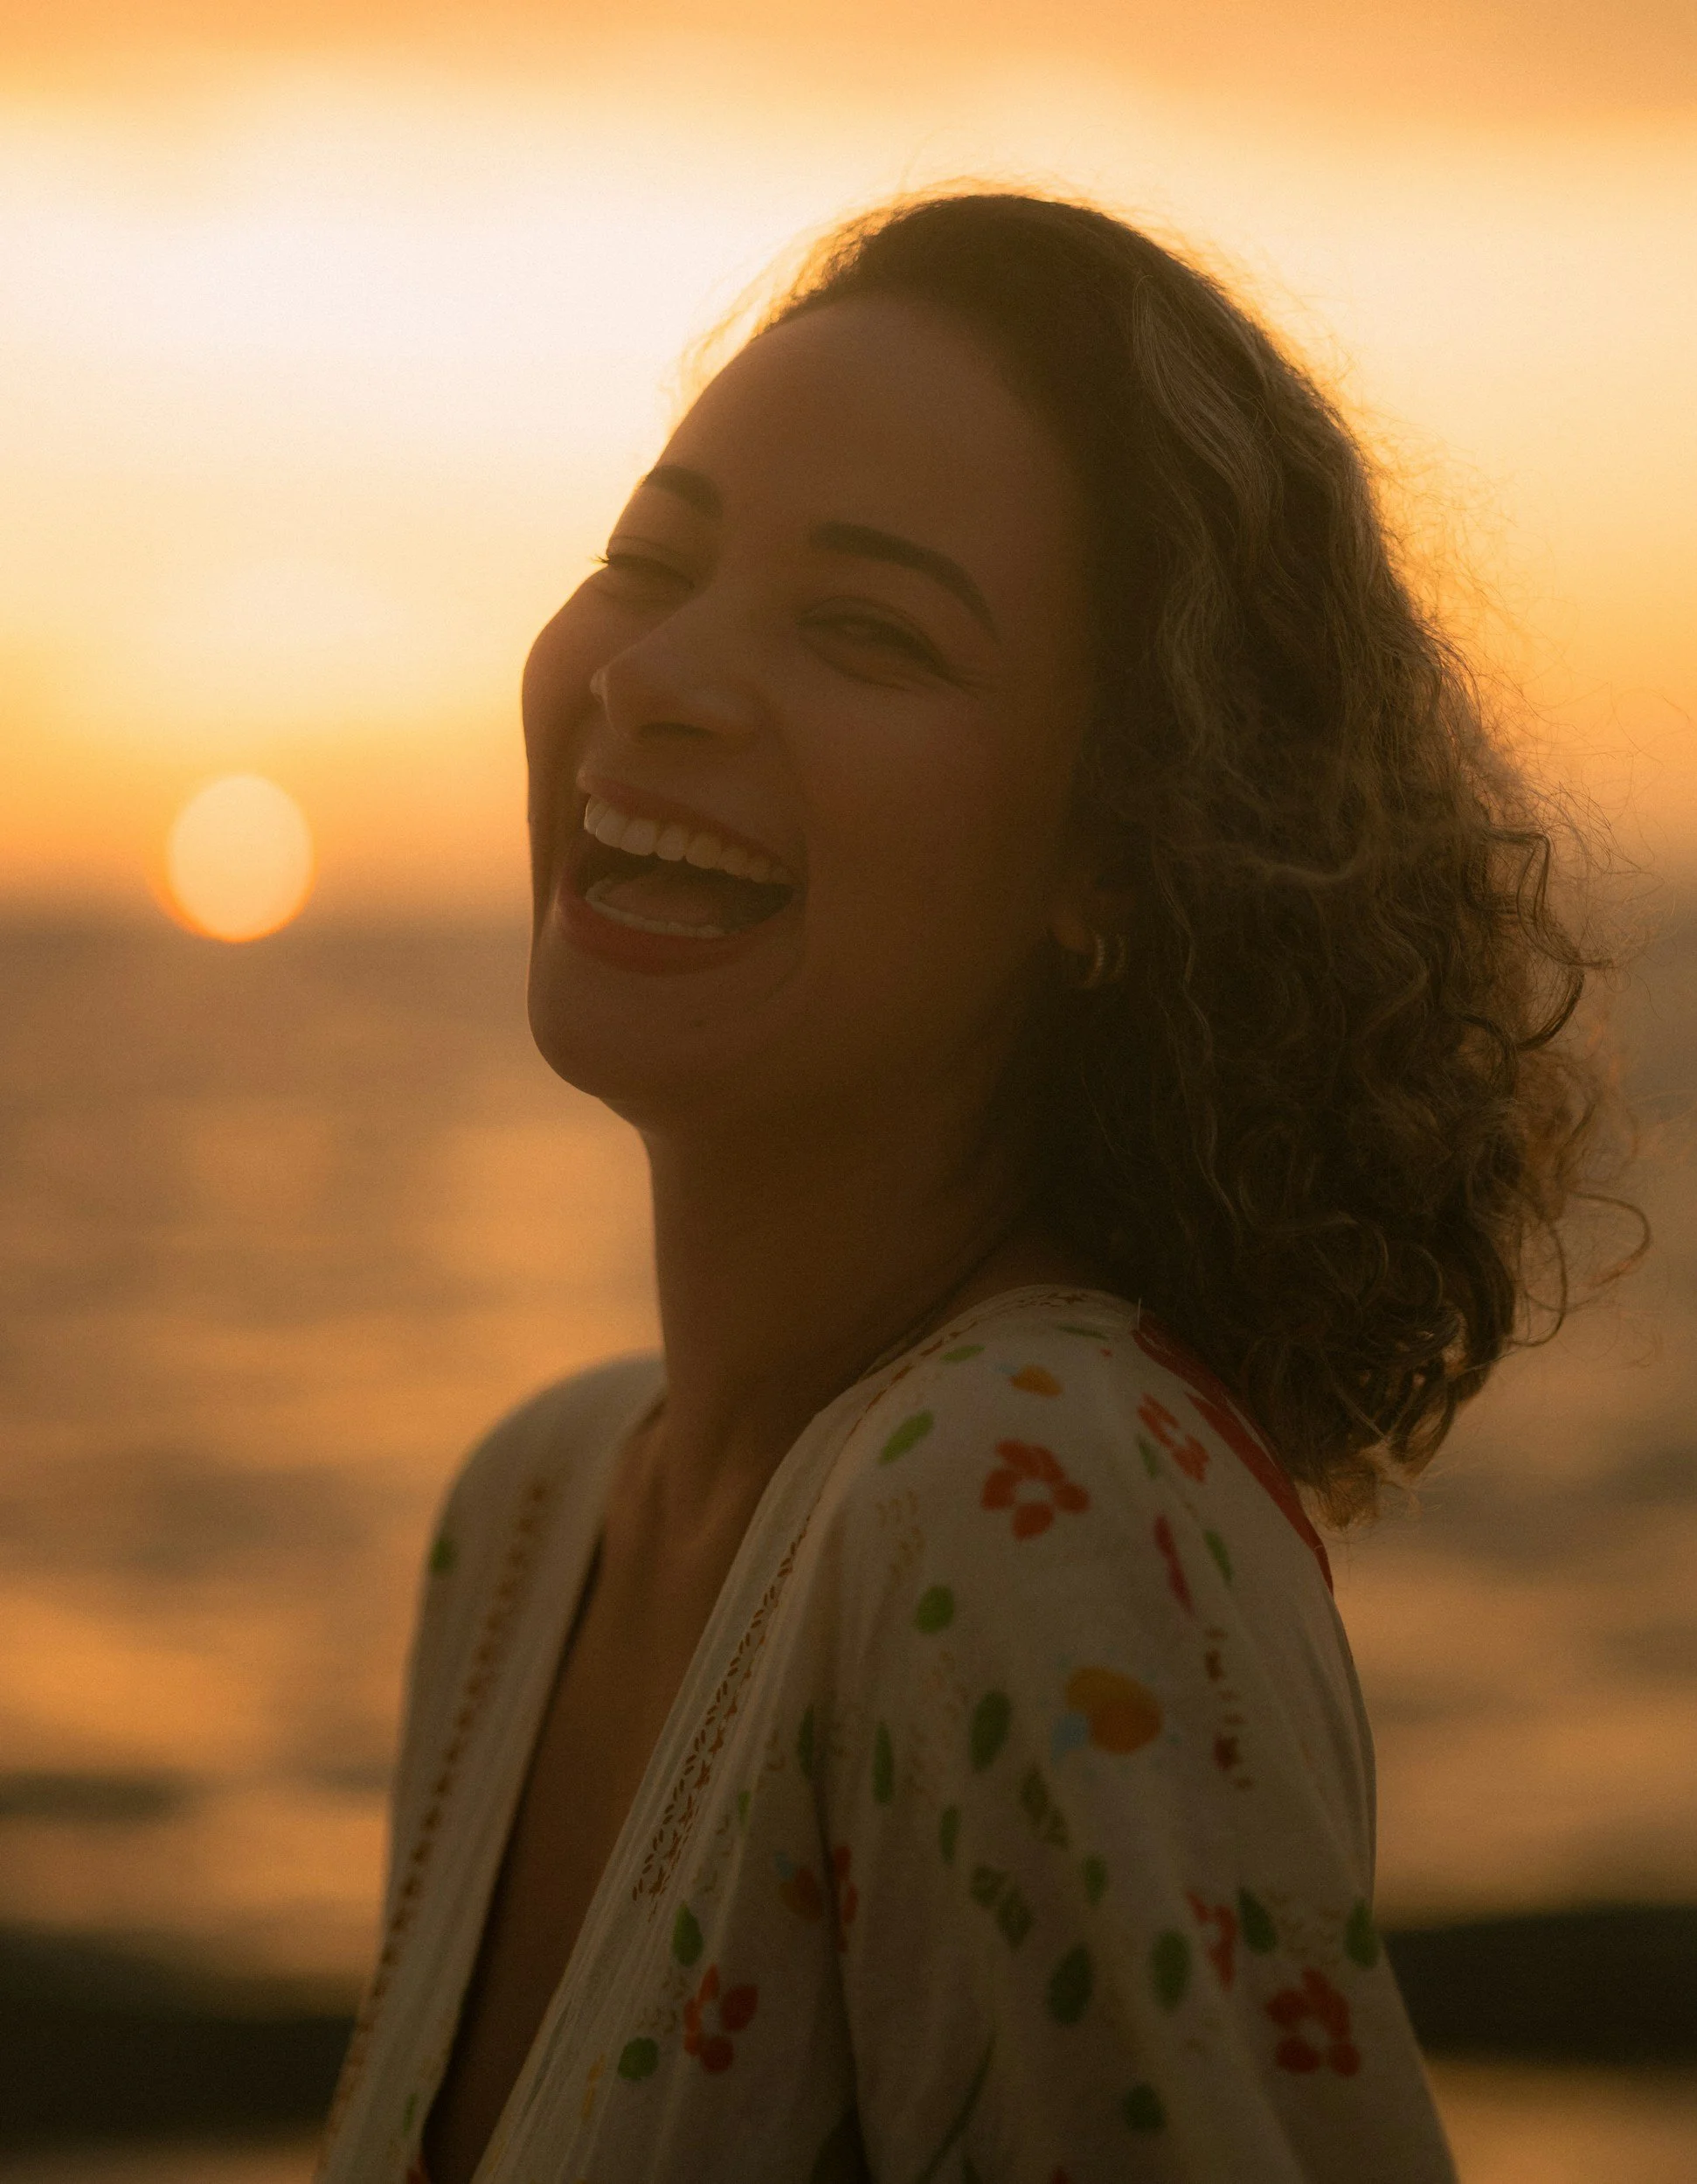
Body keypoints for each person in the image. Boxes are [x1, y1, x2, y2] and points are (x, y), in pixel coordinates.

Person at [316, 191, 1623, 2182]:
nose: (658, 675)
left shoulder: (1039, 1493)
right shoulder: (533, 1514)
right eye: (648, 558)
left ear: (1116, 848)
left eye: (866, 629)